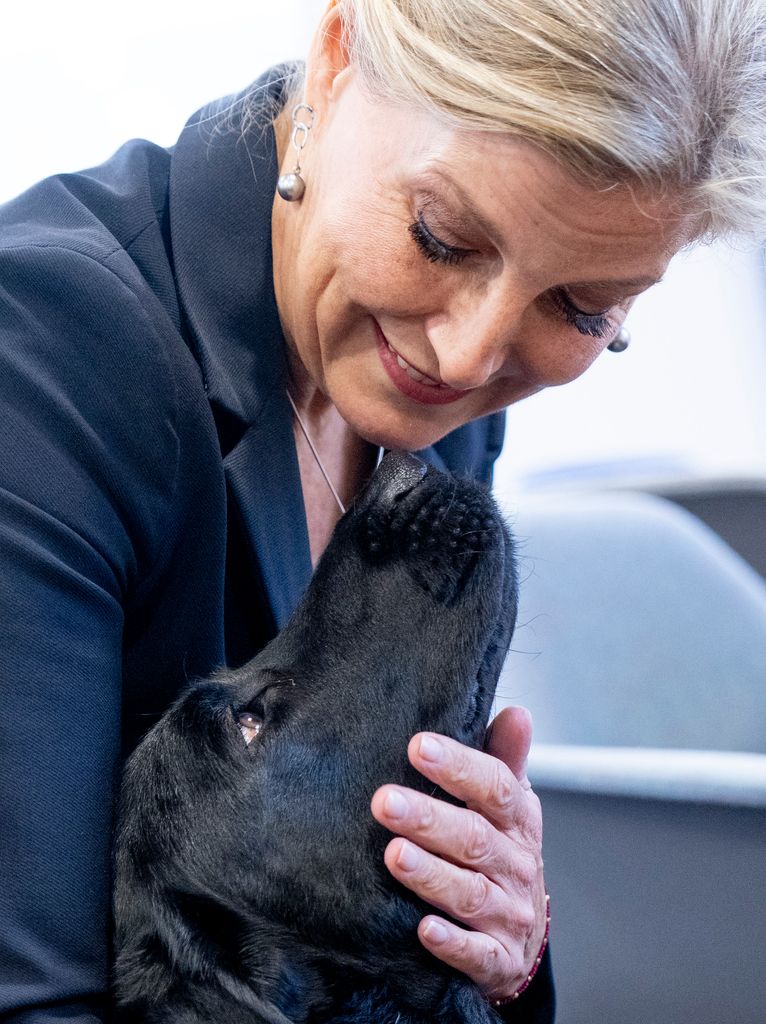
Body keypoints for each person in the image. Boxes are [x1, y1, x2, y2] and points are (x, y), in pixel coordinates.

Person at [1, 0, 764, 1019]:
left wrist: (501, 939)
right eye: (440, 237)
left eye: (581, 308)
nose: (467, 356)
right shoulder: (41, 366)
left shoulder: (436, 389)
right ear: (334, 56)